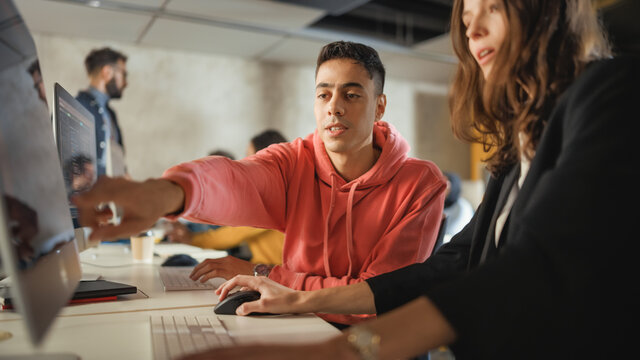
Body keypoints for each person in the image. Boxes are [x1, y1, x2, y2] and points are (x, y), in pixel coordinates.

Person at [180, 0, 638, 359]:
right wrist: (293, 299)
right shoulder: (515, 150)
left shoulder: (609, 91)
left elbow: (535, 267)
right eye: (467, 16)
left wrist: (339, 351)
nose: (472, 30)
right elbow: (447, 268)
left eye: (493, 9)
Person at [73, 41, 447, 327]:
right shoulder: (294, 161)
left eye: (351, 95)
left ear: (380, 106)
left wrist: (268, 276)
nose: (334, 107)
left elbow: (375, 297)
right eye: (323, 94)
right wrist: (166, 192)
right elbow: (236, 179)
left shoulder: (421, 184)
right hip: (303, 325)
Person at [167, 130, 288, 265]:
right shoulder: (276, 191)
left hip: (273, 271)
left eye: (250, 157)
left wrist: (191, 239)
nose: (245, 162)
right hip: (262, 266)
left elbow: (232, 234)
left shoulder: (275, 196)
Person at [76, 47, 128, 177]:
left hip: (111, 193)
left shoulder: (111, 114)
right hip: (89, 195)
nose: (126, 83)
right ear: (107, 72)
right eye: (123, 74)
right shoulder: (76, 106)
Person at [442, 171, 474, 243]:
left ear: (453, 187)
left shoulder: (462, 207)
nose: (441, 187)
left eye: (446, 184)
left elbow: (451, 235)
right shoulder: (438, 206)